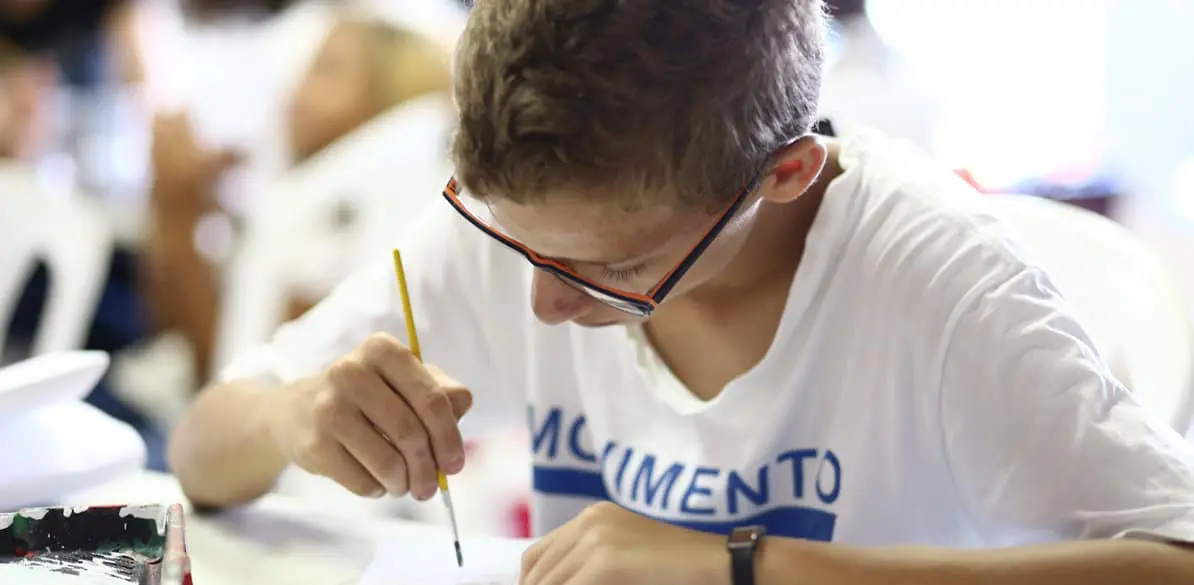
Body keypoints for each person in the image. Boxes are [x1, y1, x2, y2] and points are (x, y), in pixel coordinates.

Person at [170, 1, 1194, 584]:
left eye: (611, 270)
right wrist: (291, 414)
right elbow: (198, 458)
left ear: (784, 175)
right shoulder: (536, 222)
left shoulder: (938, 281)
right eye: (506, 240)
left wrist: (744, 569)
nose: (541, 305)